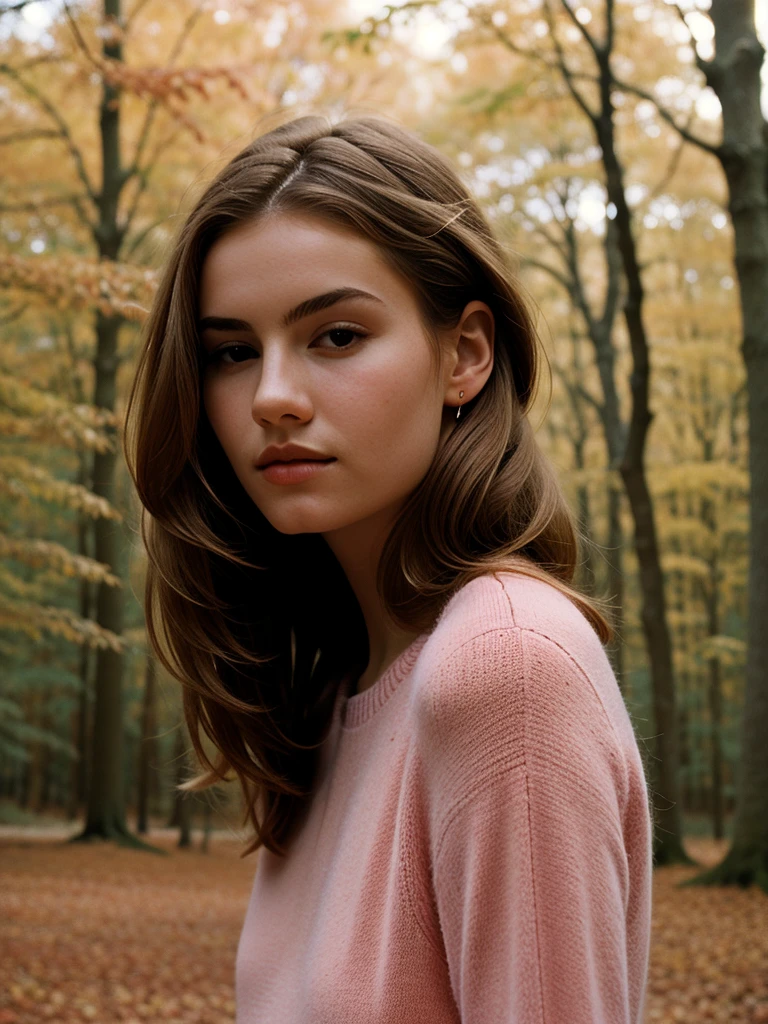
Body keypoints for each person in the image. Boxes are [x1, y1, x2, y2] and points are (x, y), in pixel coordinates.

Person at [124, 112, 654, 1024]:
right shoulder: (337, 686)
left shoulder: (504, 670)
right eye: (232, 353)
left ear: (465, 354)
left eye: (335, 336)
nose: (273, 398)